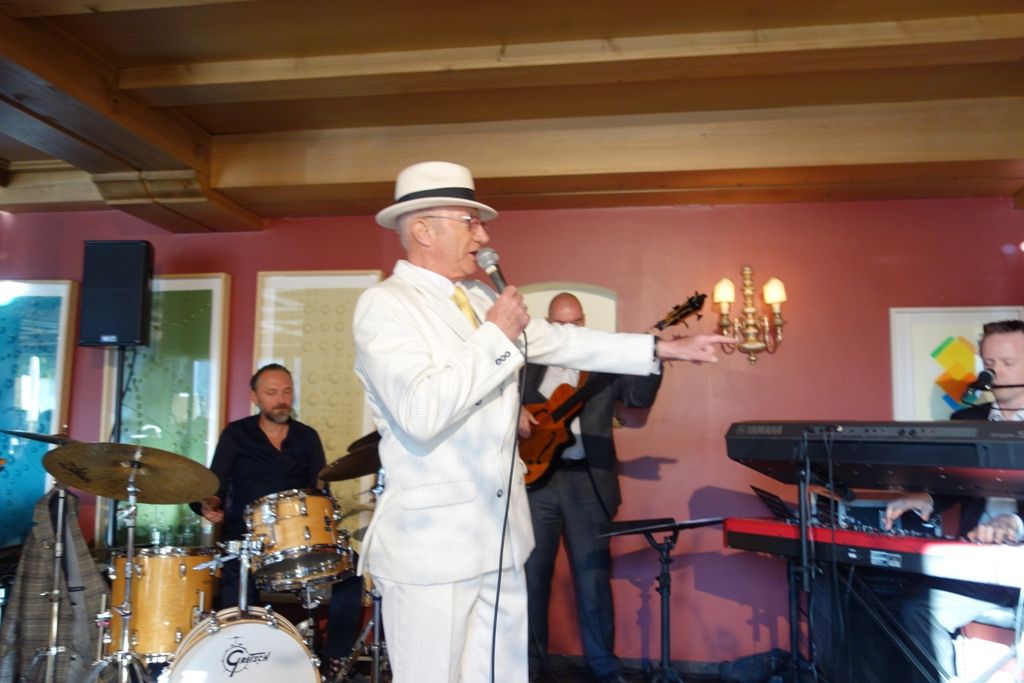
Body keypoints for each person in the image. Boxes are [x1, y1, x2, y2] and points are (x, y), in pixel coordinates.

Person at [352, 160, 733, 683]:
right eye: (471, 222)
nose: (484, 236)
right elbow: (421, 413)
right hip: (434, 548)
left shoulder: (481, 298)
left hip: (503, 540)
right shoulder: (385, 305)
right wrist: (495, 334)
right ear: (423, 229)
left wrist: (661, 349)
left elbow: (564, 342)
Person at [519, 292, 662, 683]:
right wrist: (516, 413)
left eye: (574, 324)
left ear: (583, 323)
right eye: (558, 325)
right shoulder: (527, 364)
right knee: (531, 577)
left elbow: (637, 396)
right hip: (537, 483)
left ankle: (605, 668)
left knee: (593, 578)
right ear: (548, 325)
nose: (568, 330)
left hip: (587, 482)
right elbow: (497, 402)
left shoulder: (603, 361)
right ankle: (528, 666)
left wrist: (655, 354)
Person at [194, 363, 363, 680]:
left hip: (300, 539)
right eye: (272, 392)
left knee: (353, 571)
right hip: (248, 540)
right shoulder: (236, 434)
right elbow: (215, 485)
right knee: (236, 583)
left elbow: (319, 490)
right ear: (255, 397)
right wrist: (210, 505)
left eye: (287, 391)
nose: (281, 399)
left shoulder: (307, 437)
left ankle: (336, 657)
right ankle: (245, 666)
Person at [884, 319, 1024, 682]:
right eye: (989, 364)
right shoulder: (967, 419)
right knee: (918, 607)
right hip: (979, 566)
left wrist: (1015, 523)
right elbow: (955, 483)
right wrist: (927, 497)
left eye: (1008, 363)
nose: (995, 373)